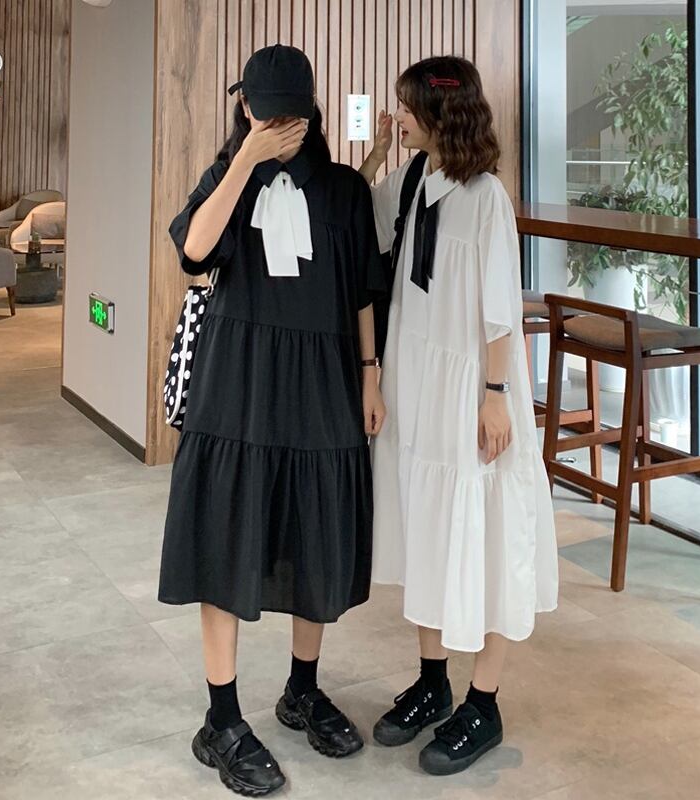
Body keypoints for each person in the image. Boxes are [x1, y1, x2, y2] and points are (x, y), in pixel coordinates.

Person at [158, 45, 386, 797]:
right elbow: (195, 250)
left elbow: (362, 291)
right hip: (238, 378)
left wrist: (370, 374)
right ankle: (221, 718)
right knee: (225, 532)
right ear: (245, 109)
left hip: (322, 377)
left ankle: (302, 689)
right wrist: (245, 161)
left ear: (312, 113)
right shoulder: (226, 177)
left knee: (314, 532)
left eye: (292, 116)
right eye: (266, 115)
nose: (280, 127)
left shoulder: (345, 190)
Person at [360, 55, 558, 776]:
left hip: (474, 383)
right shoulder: (415, 179)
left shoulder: (486, 198)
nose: (399, 116)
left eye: (406, 107)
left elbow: (501, 308)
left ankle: (485, 700)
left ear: (440, 113)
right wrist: (378, 154)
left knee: (486, 533)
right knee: (428, 528)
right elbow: (359, 216)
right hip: (417, 380)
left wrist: (496, 394)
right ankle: (432, 681)